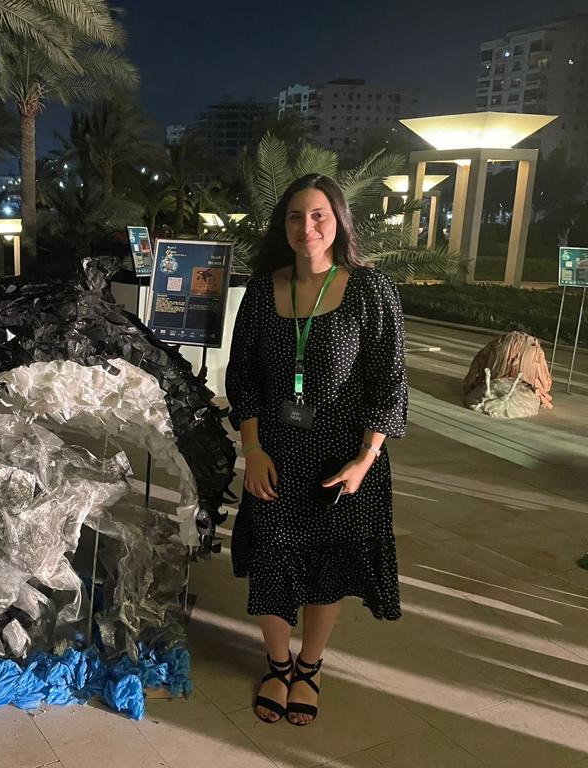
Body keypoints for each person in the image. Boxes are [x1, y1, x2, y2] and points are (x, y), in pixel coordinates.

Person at [225, 174, 407, 726]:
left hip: (342, 459)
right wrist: (252, 448)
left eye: (319, 215)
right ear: (282, 226)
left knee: (327, 565)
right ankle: (278, 664)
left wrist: (365, 459)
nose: (307, 226)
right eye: (295, 216)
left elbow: (389, 381)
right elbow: (243, 376)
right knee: (272, 558)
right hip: (275, 454)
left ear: (338, 221)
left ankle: (309, 666)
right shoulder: (264, 291)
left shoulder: (369, 290)